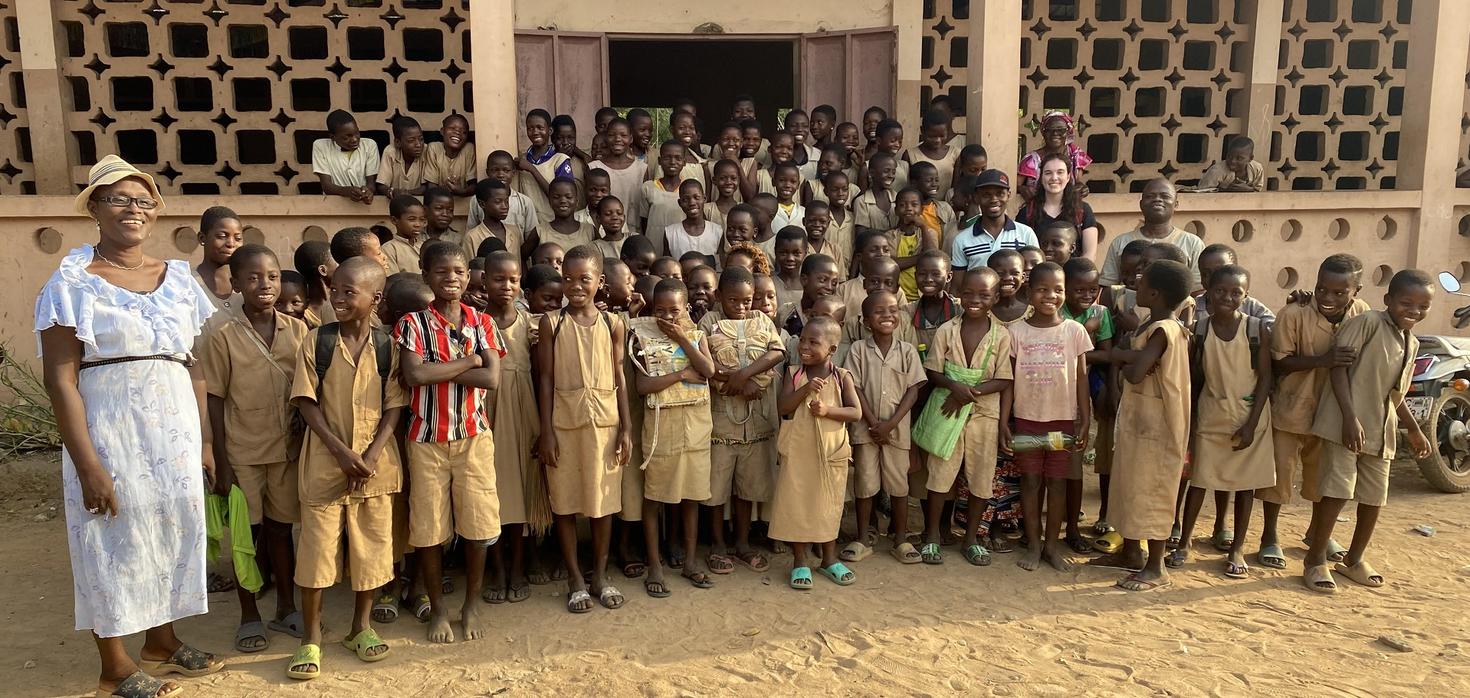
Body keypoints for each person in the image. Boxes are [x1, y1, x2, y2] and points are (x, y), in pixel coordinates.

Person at [38, 155, 225, 698]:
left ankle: (162, 641)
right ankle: (115, 666)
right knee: (109, 538)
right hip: (111, 431)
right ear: (94, 208)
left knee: (168, 531)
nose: (133, 209)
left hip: (174, 433)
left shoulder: (178, 280)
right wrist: (88, 463)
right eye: (118, 198)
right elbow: (61, 379)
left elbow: (192, 365)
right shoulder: (71, 283)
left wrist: (206, 440)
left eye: (143, 201)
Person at [284, 257, 405, 680]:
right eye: (335, 289)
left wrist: (370, 455)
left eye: (349, 292)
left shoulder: (388, 345)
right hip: (324, 462)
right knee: (316, 553)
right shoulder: (316, 341)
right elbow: (305, 401)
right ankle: (311, 638)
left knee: (371, 549)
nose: (337, 297)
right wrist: (339, 451)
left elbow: (395, 406)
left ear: (375, 298)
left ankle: (362, 627)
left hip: (375, 467)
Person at [203, 244, 308, 653]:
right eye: (253, 277)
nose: (264, 285)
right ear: (235, 283)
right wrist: (219, 459)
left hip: (285, 449)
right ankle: (249, 614)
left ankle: (285, 606)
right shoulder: (221, 332)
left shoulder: (297, 329)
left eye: (272, 277)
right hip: (242, 451)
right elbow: (213, 397)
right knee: (248, 535)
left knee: (282, 531)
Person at [1302, 269, 1434, 593]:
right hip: (1345, 425)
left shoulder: (1411, 341)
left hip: (1380, 430)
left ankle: (1354, 559)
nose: (1414, 311)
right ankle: (1315, 560)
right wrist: (1349, 417)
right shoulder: (1368, 323)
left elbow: (1395, 394)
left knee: (1375, 497)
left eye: (1422, 306)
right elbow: (1339, 369)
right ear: (1388, 300)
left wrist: (1415, 431)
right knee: (1337, 492)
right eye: (1406, 303)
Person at [1255, 254, 1369, 570]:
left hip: (1333, 412)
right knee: (1279, 475)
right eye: (1322, 289)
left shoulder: (1364, 316)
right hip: (1292, 407)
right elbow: (1279, 363)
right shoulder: (1293, 314)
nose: (1328, 298)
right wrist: (1323, 360)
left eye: (1339, 293)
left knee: (1324, 478)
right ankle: (1269, 537)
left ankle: (1317, 533)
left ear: (1356, 291)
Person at [538, 247, 632, 613]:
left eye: (584, 279)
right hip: (564, 424)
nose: (575, 286)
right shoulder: (551, 323)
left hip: (605, 424)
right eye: (568, 279)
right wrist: (546, 431)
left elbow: (620, 376)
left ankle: (600, 575)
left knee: (602, 502)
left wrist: (626, 428)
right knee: (564, 502)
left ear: (600, 283)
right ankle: (575, 577)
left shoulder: (613, 324)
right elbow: (544, 379)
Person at [1168, 264, 1276, 579]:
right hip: (1211, 415)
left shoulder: (1256, 329)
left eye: (1236, 292)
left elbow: (1266, 378)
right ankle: (1184, 543)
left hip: (1249, 417)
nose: (1227, 297)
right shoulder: (1199, 330)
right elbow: (1196, 378)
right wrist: (1192, 418)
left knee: (1244, 487)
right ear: (1207, 291)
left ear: (1246, 295)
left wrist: (1252, 423)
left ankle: (1237, 548)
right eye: (1220, 291)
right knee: (1199, 481)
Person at [1094, 260, 1193, 591]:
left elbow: (1135, 371)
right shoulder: (1152, 324)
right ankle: (1133, 553)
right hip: (1140, 421)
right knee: (1131, 485)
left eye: (1142, 282)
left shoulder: (1164, 329)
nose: (1135, 285)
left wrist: (1125, 364)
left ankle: (1156, 566)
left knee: (1153, 491)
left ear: (1154, 293)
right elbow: (1131, 357)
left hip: (1158, 424)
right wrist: (1128, 358)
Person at [918, 267, 1014, 565]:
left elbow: (1005, 379)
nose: (975, 300)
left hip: (984, 414)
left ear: (995, 298)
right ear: (959, 295)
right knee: (940, 474)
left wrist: (968, 394)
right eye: (969, 293)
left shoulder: (1001, 335)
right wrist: (953, 387)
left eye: (984, 295)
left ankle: (971, 538)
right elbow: (932, 370)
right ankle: (932, 535)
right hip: (947, 406)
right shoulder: (947, 330)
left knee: (981, 478)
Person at [1005, 261, 1092, 573]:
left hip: (1060, 422)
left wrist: (1084, 418)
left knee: (1056, 482)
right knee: (1029, 481)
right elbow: (1009, 381)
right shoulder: (1016, 332)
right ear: (1029, 293)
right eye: (1042, 289)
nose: (1050, 296)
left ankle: (1052, 546)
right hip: (1027, 420)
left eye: (1057, 290)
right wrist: (1005, 421)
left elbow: (1082, 378)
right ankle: (1034, 543)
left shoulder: (1074, 332)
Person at [632, 279, 718, 593]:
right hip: (661, 426)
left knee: (692, 497)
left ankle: (690, 561)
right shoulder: (642, 338)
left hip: (695, 425)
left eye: (675, 311)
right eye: (661, 310)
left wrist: (682, 338)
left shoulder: (696, 335)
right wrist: (681, 374)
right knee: (655, 496)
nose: (668, 317)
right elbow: (643, 387)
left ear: (686, 309)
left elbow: (708, 371)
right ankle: (655, 566)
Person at [771, 316, 863, 589]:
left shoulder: (841, 376)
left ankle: (829, 559)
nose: (804, 346)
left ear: (832, 349)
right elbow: (783, 407)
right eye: (802, 340)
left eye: (813, 342)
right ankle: (800, 561)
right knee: (797, 503)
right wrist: (805, 391)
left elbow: (855, 412)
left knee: (828, 504)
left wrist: (827, 411)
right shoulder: (793, 374)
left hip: (831, 452)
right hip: (799, 451)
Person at [843, 290, 927, 564]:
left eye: (892, 310)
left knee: (898, 484)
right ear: (866, 321)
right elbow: (854, 387)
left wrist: (890, 423)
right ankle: (863, 538)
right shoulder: (857, 350)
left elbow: (913, 390)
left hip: (896, 431)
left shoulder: (907, 351)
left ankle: (900, 538)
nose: (887, 316)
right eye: (879, 312)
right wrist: (872, 422)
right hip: (866, 432)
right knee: (865, 483)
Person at [481, 252, 538, 604]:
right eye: (499, 279)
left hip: (523, 410)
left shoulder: (531, 324)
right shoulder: (475, 322)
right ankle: (496, 568)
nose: (506, 286)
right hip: (485, 411)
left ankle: (517, 566)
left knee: (521, 489)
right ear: (484, 281)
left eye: (513, 280)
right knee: (491, 491)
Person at [1061, 257, 1114, 549]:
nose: (1086, 295)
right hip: (1051, 393)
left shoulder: (1100, 313)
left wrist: (1078, 344)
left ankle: (1072, 527)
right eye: (1078, 289)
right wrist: (1086, 336)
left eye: (1092, 289)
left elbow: (1107, 355)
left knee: (1074, 465)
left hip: (1080, 395)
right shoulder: (1054, 309)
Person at [1099, 179, 1205, 289]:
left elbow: (1197, 289)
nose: (1157, 200)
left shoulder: (1192, 243)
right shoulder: (1121, 242)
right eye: (1150, 196)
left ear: (1176, 204)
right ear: (1141, 204)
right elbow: (1108, 286)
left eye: (1165, 196)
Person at [949, 170, 1038, 283]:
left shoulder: (1026, 234)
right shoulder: (962, 240)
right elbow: (957, 286)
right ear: (976, 197)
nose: (994, 199)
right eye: (986, 195)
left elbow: (1036, 278)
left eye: (1000, 193)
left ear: (1009, 195)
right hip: (979, 300)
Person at [1017, 152, 1099, 260]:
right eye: (1048, 173)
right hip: (1039, 275)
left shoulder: (1082, 210)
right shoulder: (1027, 212)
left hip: (1074, 274)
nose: (1054, 178)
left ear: (1068, 176)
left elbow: (1089, 254)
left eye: (1060, 172)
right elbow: (1021, 256)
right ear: (1041, 177)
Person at [517, 109, 577, 225]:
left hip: (551, 223)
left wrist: (532, 169)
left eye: (540, 128)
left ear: (549, 131)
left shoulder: (560, 159)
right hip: (527, 223)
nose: (535, 132)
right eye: (530, 128)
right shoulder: (522, 159)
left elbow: (560, 195)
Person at [1017, 110, 1092, 201]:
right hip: (1038, 208)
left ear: (1068, 132)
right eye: (1050, 130)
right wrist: (1022, 189)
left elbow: (1078, 182)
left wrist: (1082, 188)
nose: (1055, 134)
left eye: (1061, 130)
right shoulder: (1031, 160)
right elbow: (1016, 186)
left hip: (1067, 208)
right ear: (1043, 133)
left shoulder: (1075, 154)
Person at [312, 109, 379, 204]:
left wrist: (367, 192)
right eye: (347, 137)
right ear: (332, 137)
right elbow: (327, 186)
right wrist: (347, 191)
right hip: (334, 206)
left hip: (363, 207)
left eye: (357, 133)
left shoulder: (369, 145)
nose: (355, 139)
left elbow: (371, 184)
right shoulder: (321, 147)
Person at [890, 187, 941, 302]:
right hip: (898, 297)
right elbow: (892, 264)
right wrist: (920, 258)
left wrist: (923, 227)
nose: (909, 209)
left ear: (922, 209)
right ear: (896, 210)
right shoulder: (890, 236)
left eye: (914, 205)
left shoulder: (929, 233)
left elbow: (931, 258)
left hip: (922, 296)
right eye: (903, 205)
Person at [639, 140, 689, 253]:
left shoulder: (688, 189)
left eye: (678, 158)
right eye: (667, 158)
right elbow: (644, 221)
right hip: (653, 246)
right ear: (659, 161)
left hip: (681, 247)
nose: (672, 162)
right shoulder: (648, 188)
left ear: (684, 162)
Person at [527, 177, 595, 254]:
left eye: (568, 197)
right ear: (550, 201)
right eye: (556, 197)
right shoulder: (540, 231)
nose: (563, 200)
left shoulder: (589, 231)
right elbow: (522, 257)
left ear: (576, 201)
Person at [461, 179, 525, 262]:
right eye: (498, 202)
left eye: (506, 201)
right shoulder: (472, 237)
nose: (504, 206)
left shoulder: (515, 232)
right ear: (482, 204)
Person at [904, 110, 960, 200]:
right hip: (920, 207)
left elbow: (955, 188)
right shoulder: (910, 155)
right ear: (922, 131)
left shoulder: (955, 153)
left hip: (946, 208)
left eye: (942, 136)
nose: (937, 140)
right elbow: (908, 186)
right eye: (932, 136)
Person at [666, 179, 723, 260]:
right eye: (685, 199)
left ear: (704, 199)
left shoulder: (717, 231)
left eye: (697, 197)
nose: (692, 203)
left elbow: (718, 267)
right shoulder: (670, 233)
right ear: (679, 203)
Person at [423, 114, 477, 198]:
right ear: (442, 131)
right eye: (452, 128)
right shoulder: (434, 148)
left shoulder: (468, 149)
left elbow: (473, 186)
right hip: (439, 201)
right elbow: (431, 186)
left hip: (464, 203)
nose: (457, 132)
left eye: (463, 131)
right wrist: (442, 192)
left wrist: (462, 191)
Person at [377, 116, 427, 199]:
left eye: (421, 139)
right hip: (394, 203)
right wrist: (392, 192)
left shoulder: (427, 151)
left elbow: (427, 187)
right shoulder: (390, 152)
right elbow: (381, 185)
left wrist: (405, 194)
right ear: (398, 142)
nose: (418, 144)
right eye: (411, 140)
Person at [294, 240, 337, 328]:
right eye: (337, 261)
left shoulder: (347, 301)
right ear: (323, 270)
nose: (343, 266)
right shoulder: (301, 316)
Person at [1197, 137, 1264, 192]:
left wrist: (1249, 189)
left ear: (1250, 158)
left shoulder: (1257, 169)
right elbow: (1202, 192)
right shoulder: (1217, 171)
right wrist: (1226, 190)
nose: (1232, 161)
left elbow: (1258, 190)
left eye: (1239, 158)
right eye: (1229, 156)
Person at [853, 151, 899, 233]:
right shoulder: (862, 202)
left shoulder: (897, 198)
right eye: (886, 171)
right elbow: (861, 234)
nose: (890, 175)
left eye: (893, 172)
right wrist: (891, 233)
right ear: (871, 173)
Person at [381, 194, 427, 276]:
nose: (418, 224)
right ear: (394, 220)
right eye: (412, 219)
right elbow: (393, 281)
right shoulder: (389, 249)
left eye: (422, 220)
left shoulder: (424, 245)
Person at [772, 226, 809, 310]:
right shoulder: (769, 284)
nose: (790, 258)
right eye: (783, 253)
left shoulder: (809, 285)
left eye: (796, 253)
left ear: (805, 252)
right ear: (775, 251)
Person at [770, 161, 806, 232]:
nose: (787, 185)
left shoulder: (803, 212)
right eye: (782, 180)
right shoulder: (768, 211)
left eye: (793, 182)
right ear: (773, 182)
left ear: (798, 185)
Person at [592, 195, 630, 260]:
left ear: (624, 217)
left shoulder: (634, 238)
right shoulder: (596, 247)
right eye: (608, 214)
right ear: (598, 219)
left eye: (619, 213)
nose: (615, 217)